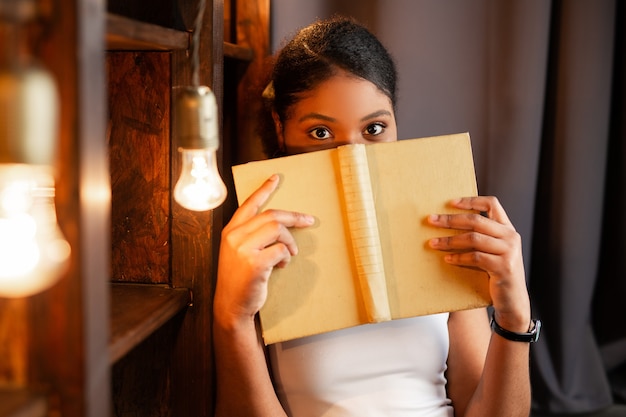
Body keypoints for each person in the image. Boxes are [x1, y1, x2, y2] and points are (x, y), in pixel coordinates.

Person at [213, 15, 536, 417]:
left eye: (374, 129)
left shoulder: (441, 227)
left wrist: (514, 314)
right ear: (281, 127)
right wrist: (233, 318)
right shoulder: (256, 248)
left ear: (394, 122)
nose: (353, 157)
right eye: (320, 133)